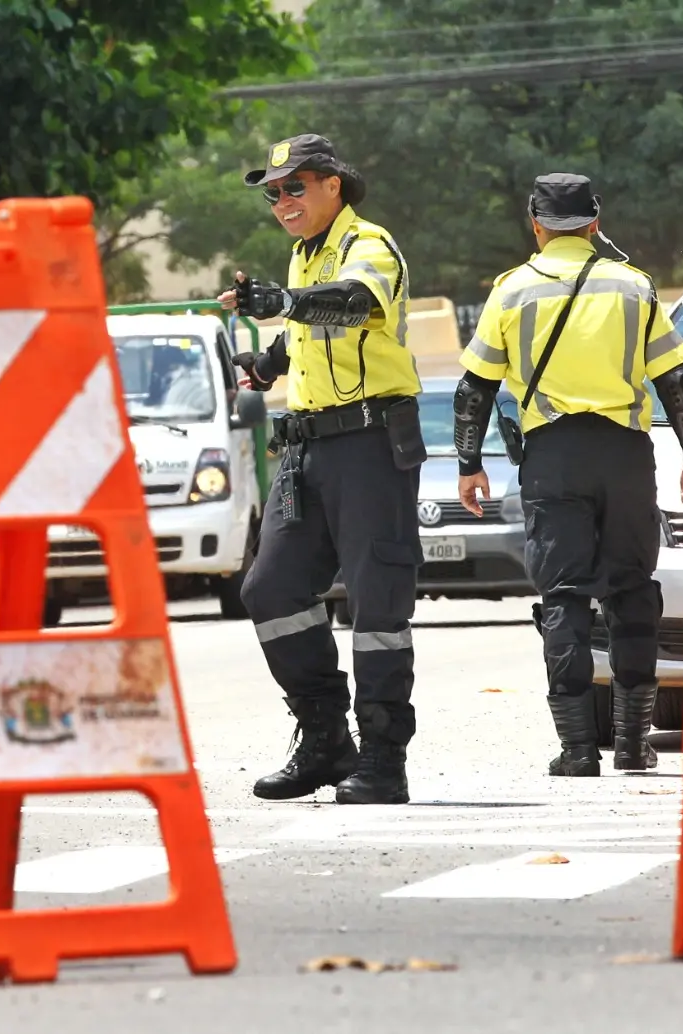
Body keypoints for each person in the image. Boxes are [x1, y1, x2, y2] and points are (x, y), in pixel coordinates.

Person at [452, 173, 683, 777]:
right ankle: (633, 744)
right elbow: (676, 381)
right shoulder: (634, 285)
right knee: (632, 592)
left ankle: (577, 750)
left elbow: (474, 387)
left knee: (563, 596)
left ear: (535, 226)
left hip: (553, 457)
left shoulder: (511, 290)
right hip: (625, 456)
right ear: (594, 223)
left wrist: (469, 465)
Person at [219, 134, 425, 805]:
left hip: (370, 445)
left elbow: (356, 303)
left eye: (295, 187)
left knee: (377, 606)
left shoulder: (369, 243)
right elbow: (309, 327)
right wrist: (267, 364)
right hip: (307, 448)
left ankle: (384, 761)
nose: (282, 200)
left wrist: (282, 301)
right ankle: (326, 740)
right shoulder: (305, 254)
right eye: (273, 193)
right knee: (270, 589)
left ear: (333, 184)